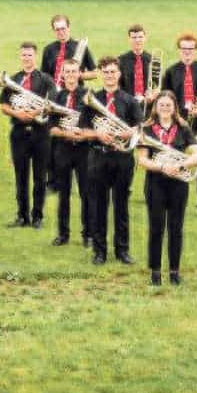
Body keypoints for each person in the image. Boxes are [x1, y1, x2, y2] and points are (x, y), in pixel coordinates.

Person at [136, 91, 197, 287]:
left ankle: (174, 271)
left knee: (176, 229)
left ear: (174, 107)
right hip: (156, 183)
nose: (165, 108)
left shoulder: (183, 127)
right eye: (161, 105)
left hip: (178, 184)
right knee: (156, 228)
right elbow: (142, 160)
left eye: (169, 105)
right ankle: (155, 272)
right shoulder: (146, 129)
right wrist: (163, 167)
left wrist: (180, 166)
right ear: (156, 107)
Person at [81, 57, 140, 266]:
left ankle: (122, 250)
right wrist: (98, 134)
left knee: (121, 205)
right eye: (105, 72)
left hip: (123, 158)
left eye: (113, 71)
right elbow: (83, 130)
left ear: (119, 74)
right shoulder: (91, 99)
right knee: (98, 206)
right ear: (100, 74)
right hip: (98, 157)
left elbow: (139, 129)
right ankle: (99, 251)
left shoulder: (130, 100)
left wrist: (127, 133)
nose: (109, 75)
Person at [0, 41, 54, 229]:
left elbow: (52, 103)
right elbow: (4, 105)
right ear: (20, 56)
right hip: (19, 133)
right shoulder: (13, 80)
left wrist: (37, 110)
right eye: (23, 55)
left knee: (40, 177)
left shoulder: (45, 79)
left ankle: (37, 216)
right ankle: (22, 216)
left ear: (35, 56)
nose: (27, 58)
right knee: (20, 176)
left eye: (30, 55)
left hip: (41, 134)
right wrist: (18, 113)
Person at [163, 32, 197, 220]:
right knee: (174, 162)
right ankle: (172, 201)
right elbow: (165, 99)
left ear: (196, 50)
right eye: (184, 49)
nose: (187, 53)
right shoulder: (170, 72)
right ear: (179, 50)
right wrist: (177, 117)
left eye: (190, 49)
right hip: (177, 125)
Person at [47, 59, 90, 248]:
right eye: (68, 72)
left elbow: (94, 123)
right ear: (62, 74)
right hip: (63, 149)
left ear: (79, 73)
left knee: (86, 193)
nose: (71, 75)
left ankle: (88, 234)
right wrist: (66, 132)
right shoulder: (56, 97)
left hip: (84, 150)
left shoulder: (88, 96)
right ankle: (63, 234)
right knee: (63, 193)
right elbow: (50, 128)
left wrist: (82, 133)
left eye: (74, 71)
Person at [41, 15, 96, 82]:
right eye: (57, 29)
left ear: (68, 27)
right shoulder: (48, 49)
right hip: (55, 91)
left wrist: (78, 75)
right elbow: (44, 75)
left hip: (76, 90)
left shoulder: (80, 47)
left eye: (63, 28)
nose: (61, 32)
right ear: (54, 30)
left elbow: (94, 73)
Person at [115, 24, 158, 105]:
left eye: (140, 37)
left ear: (145, 38)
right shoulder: (120, 60)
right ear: (129, 39)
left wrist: (152, 95)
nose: (137, 40)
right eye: (134, 37)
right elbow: (116, 85)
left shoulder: (153, 60)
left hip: (149, 103)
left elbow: (157, 85)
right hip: (127, 103)